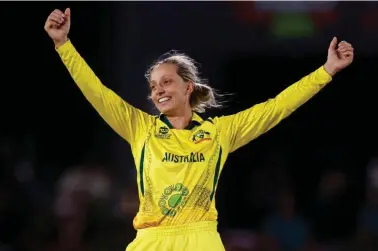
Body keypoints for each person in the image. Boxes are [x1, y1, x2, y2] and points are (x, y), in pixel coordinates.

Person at [44, 8, 354, 251]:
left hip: (201, 239)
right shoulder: (140, 128)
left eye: (167, 82)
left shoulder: (220, 132)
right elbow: (96, 91)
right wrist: (63, 44)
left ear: (188, 87)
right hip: (151, 240)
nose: (158, 90)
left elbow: (277, 107)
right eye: (153, 86)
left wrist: (326, 71)